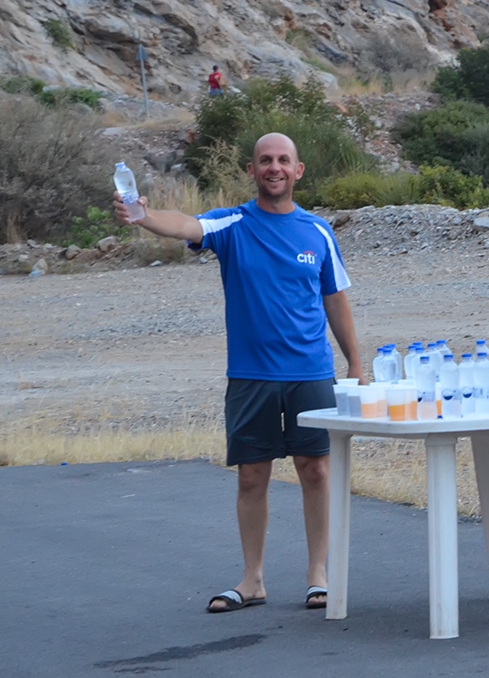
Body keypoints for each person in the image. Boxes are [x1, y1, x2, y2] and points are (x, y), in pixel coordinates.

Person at [113, 132, 364, 613]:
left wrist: (354, 362)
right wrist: (144, 216)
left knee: (315, 471)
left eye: (283, 160)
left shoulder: (317, 232)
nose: (274, 167)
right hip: (251, 375)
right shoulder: (233, 223)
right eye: (265, 160)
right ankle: (252, 581)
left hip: (311, 372)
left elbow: (335, 298)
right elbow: (185, 225)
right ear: (252, 171)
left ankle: (318, 575)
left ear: (298, 170)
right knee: (251, 476)